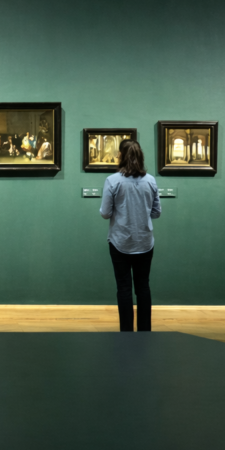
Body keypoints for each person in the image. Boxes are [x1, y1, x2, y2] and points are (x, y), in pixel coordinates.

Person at [100, 140, 162, 331]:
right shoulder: (150, 180)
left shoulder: (112, 180)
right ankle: (145, 332)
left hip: (120, 242)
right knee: (143, 287)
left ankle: (126, 332)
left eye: (119, 153)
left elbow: (105, 213)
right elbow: (157, 212)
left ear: (122, 155)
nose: (117, 156)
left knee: (124, 288)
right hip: (145, 242)